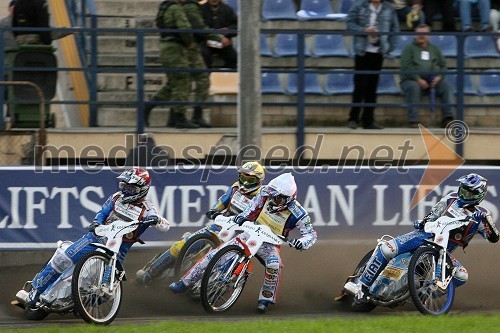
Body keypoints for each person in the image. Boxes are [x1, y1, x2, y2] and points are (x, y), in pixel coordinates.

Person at [168, 172, 318, 314]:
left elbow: (310, 235)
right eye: (271, 195)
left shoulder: (299, 213)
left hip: (270, 244)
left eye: (277, 198)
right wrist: (242, 217)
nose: (272, 199)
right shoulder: (265, 193)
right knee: (215, 254)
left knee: (274, 264)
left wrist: (300, 242)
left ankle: (265, 300)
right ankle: (184, 283)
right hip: (250, 233)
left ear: (288, 198)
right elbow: (251, 208)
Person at [344, 173, 499, 304]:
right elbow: (433, 215)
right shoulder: (449, 198)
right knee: (387, 248)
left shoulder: (484, 214)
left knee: (461, 276)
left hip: (442, 251)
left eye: (468, 193)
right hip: (424, 236)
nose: (463, 195)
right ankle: (361, 288)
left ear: (478, 196)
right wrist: (423, 222)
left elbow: (493, 237)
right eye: (462, 190)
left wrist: (485, 222)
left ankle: (423, 295)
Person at [25, 168, 170, 307]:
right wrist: (96, 223)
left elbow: (165, 226)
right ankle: (35, 290)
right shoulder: (116, 197)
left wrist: (156, 220)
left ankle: (80, 305)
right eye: (124, 186)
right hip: (94, 238)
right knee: (63, 259)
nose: (125, 191)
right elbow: (102, 212)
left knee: (104, 294)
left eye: (130, 189)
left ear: (142, 189)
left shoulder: (148, 209)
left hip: (117, 250)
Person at [135, 161, 265, 285]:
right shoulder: (235, 187)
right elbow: (223, 201)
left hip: (241, 236)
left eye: (251, 180)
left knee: (227, 264)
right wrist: (214, 210)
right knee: (183, 244)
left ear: (259, 181)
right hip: (221, 226)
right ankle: (151, 272)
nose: (246, 182)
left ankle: (215, 287)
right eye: (243, 177)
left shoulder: (263, 196)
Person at [346, 0, 400, 130]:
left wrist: (389, 48)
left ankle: (368, 120)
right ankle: (353, 119)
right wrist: (364, 30)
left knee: (372, 88)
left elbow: (395, 29)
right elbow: (349, 23)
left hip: (378, 52)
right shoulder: (359, 6)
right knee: (360, 86)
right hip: (362, 52)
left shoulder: (389, 9)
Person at [145, 0, 198, 129]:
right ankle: (179, 117)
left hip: (166, 47)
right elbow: (185, 28)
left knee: (173, 83)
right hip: (176, 49)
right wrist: (191, 43)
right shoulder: (176, 8)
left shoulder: (165, 7)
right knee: (182, 80)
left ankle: (149, 107)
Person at [180, 0, 229, 128]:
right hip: (188, 48)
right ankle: (194, 115)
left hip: (186, 47)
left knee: (179, 82)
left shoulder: (189, 6)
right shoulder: (190, 6)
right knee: (200, 80)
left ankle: (177, 117)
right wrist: (218, 37)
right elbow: (199, 27)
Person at [399, 23, 455, 128]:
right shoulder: (408, 48)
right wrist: (418, 79)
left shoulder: (434, 49)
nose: (421, 36)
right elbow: (406, 67)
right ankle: (413, 120)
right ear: (415, 34)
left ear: (429, 35)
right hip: (411, 80)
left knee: (447, 86)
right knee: (414, 87)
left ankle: (448, 119)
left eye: (424, 33)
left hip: (432, 81)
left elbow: (443, 66)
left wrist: (439, 77)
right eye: (419, 33)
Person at [200, 0, 238, 69]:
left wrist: (228, 30)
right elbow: (199, 29)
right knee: (204, 54)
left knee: (233, 57)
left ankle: (229, 76)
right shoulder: (201, 9)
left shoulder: (227, 9)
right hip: (207, 43)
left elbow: (236, 26)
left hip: (223, 44)